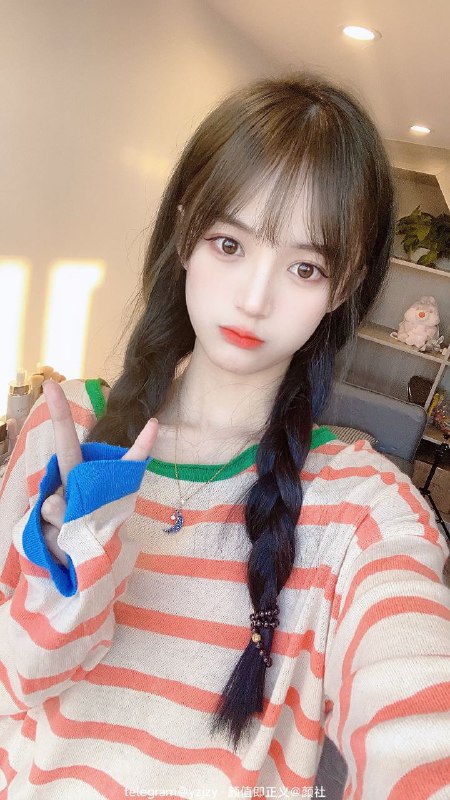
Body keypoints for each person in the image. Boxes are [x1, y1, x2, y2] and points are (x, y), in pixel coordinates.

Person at [0, 72, 449, 800]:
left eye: (304, 266)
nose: (254, 297)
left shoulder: (362, 509)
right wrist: (63, 571)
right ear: (186, 234)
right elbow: (9, 689)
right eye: (229, 243)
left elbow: (420, 713)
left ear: (342, 287)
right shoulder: (67, 433)